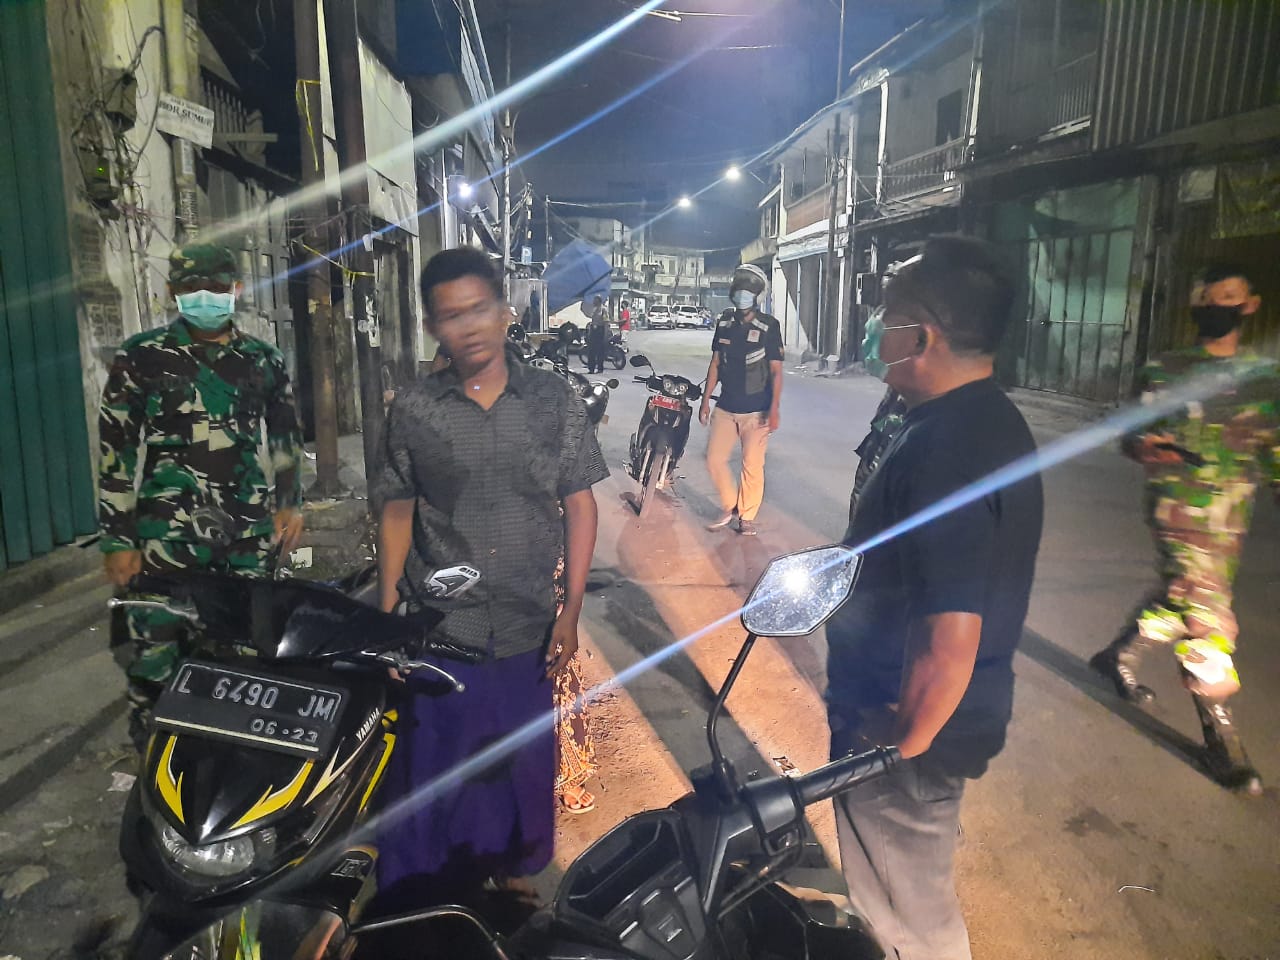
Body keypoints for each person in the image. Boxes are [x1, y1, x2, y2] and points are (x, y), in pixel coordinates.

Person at [824, 235, 1043, 960]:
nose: (871, 329)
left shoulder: (946, 450)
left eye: (884, 315)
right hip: (925, 721)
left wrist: (897, 746)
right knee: (906, 891)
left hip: (903, 734)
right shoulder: (981, 419)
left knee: (907, 922)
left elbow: (950, 637)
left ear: (920, 337)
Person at [376, 247, 608, 909]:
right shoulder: (414, 410)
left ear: (506, 311)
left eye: (479, 309)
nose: (469, 326)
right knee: (435, 763)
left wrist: (571, 609)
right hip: (441, 625)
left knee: (520, 761)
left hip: (526, 621)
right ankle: (425, 892)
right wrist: (387, 609)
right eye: (451, 316)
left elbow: (580, 504)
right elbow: (397, 506)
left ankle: (512, 875)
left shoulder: (552, 401)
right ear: (432, 327)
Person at [98, 242, 304, 750]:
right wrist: (117, 537)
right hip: (165, 533)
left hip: (244, 532)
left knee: (245, 650)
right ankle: (155, 757)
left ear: (236, 289)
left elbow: (284, 435)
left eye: (216, 286)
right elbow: (115, 449)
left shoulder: (263, 359)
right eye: (192, 287)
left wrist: (289, 502)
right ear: (173, 292)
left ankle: (230, 757)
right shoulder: (141, 357)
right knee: (155, 655)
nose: (205, 295)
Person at [1090, 263, 1278, 795]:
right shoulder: (1164, 370)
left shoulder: (1266, 379)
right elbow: (1132, 435)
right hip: (1177, 511)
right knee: (1207, 615)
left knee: (1180, 599)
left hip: (1230, 519)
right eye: (1206, 297)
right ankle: (1221, 738)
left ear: (1249, 306)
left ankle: (1119, 655)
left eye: (1228, 296)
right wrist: (1145, 447)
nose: (1215, 305)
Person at [699, 263, 783, 535]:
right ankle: (730, 504)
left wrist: (774, 409)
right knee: (714, 459)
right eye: (739, 289)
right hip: (726, 406)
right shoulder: (724, 322)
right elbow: (715, 363)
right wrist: (705, 401)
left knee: (752, 466)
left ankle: (746, 516)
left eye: (748, 290)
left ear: (757, 296)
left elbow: (776, 371)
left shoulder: (769, 326)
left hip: (757, 410)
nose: (742, 294)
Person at [585, 294, 610, 374]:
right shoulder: (595, 310)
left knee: (600, 351)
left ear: (599, 301)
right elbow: (592, 321)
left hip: (600, 331)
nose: (593, 302)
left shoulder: (603, 310)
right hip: (594, 331)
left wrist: (605, 335)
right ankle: (591, 368)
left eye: (595, 300)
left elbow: (606, 323)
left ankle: (600, 368)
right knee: (591, 351)